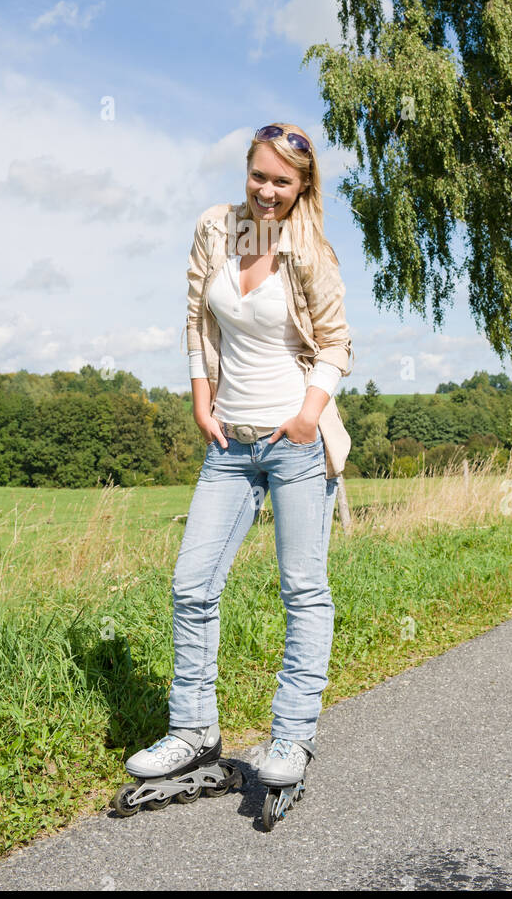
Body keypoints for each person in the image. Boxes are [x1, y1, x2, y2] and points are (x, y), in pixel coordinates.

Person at [124, 122, 354, 796]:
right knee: (192, 584)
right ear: (246, 170)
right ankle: (193, 731)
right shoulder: (216, 230)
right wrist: (202, 402)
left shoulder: (312, 252)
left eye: (283, 181)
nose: (267, 191)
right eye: (259, 175)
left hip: (294, 443)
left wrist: (309, 414)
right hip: (229, 444)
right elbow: (198, 318)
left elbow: (338, 345)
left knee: (303, 590)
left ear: (303, 187)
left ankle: (291, 739)